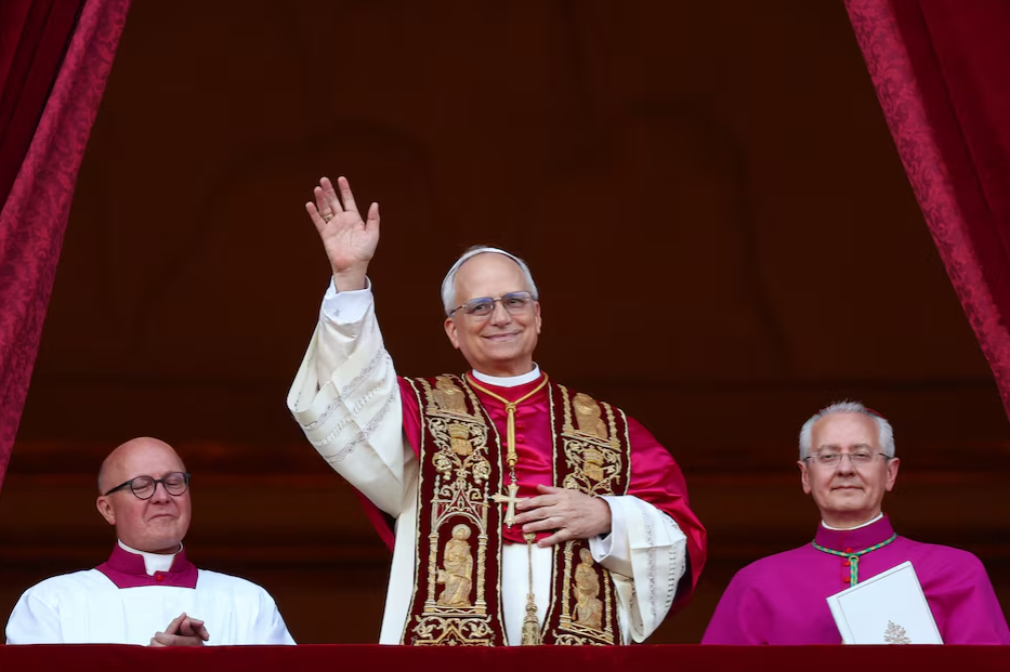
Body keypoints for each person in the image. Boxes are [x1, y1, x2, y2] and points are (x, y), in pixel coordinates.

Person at [287, 176, 706, 646]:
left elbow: (682, 540)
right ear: (452, 330)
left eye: (514, 301)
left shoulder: (612, 429)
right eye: (479, 307)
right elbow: (349, 391)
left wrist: (608, 515)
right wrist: (349, 280)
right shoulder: (414, 412)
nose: (501, 317)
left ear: (539, 315)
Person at [702, 401, 1010, 645]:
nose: (845, 469)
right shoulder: (756, 583)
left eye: (862, 455)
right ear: (805, 476)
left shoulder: (955, 571)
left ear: (890, 473)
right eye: (827, 457)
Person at [5, 437, 295, 646]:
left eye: (174, 482)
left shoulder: (247, 602)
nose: (162, 496)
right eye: (141, 486)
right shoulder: (50, 604)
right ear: (108, 509)